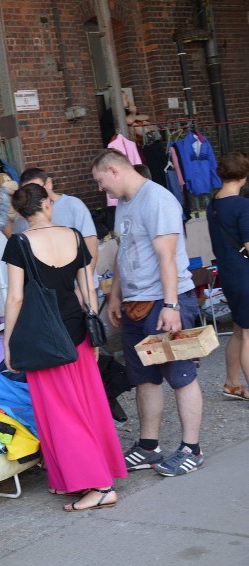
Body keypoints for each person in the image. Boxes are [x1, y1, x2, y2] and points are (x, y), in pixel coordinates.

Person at [3, 183, 126, 512]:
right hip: (78, 330)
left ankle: (100, 485)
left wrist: (8, 344)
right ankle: (72, 478)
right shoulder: (73, 235)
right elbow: (86, 286)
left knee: (60, 413)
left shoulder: (19, 243)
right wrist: (94, 330)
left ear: (20, 212)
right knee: (87, 405)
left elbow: (15, 297)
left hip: (44, 336)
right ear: (45, 204)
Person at [92, 149, 203, 477]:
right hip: (135, 304)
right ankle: (148, 447)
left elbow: (166, 255)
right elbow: (124, 251)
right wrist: (115, 295)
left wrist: (170, 305)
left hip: (163, 302)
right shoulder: (125, 203)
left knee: (181, 376)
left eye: (101, 182)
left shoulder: (157, 199)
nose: (101, 190)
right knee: (145, 378)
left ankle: (191, 449)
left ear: (114, 171)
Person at [207, 152, 249, 401]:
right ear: (243, 176)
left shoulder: (214, 203)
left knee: (238, 330)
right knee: (247, 335)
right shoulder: (242, 205)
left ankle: (232, 383)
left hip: (228, 272)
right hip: (244, 273)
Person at [11, 168, 99, 268]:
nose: (34, 195)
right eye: (28, 193)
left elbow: (91, 243)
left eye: (37, 189)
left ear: (49, 183)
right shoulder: (24, 216)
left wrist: (86, 279)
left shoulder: (73, 205)